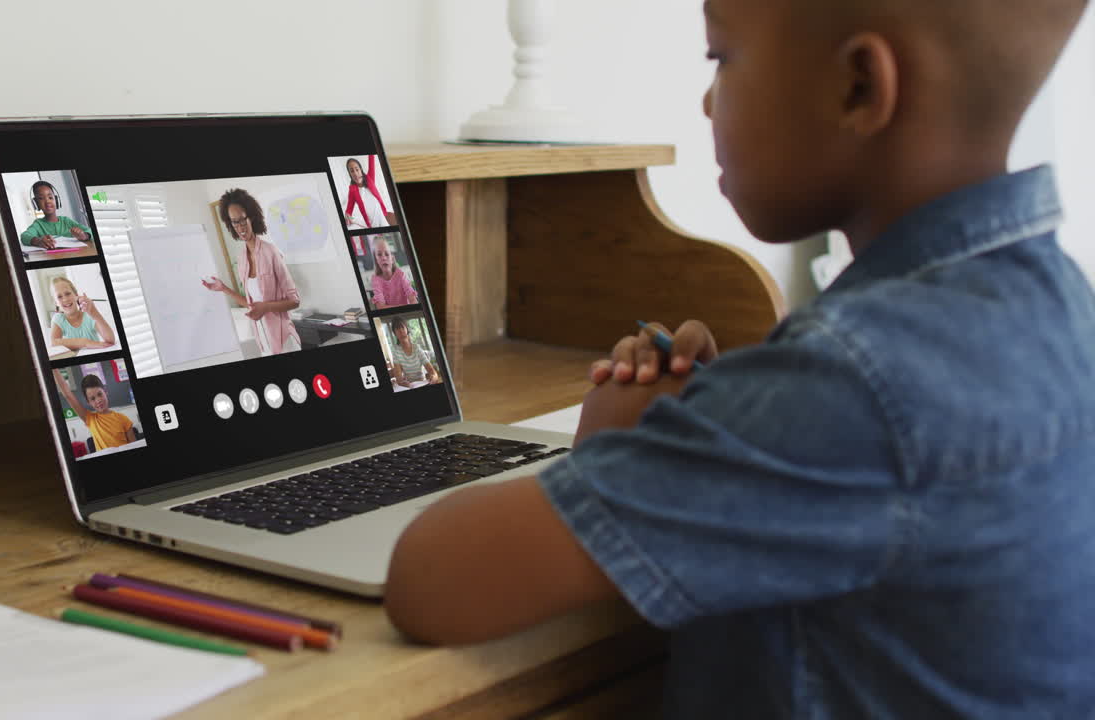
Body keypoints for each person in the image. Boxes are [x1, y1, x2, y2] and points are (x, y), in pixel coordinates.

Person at [384, 1, 1095, 717]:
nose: (705, 100)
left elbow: (431, 581)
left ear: (857, 86)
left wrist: (626, 449)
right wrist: (727, 420)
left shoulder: (850, 383)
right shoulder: (1062, 308)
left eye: (720, 59)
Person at [203, 188, 302, 356]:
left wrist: (266, 307)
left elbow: (295, 301)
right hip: (263, 342)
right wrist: (224, 288)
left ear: (251, 217)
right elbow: (251, 304)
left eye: (242, 219)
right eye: (235, 222)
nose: (240, 226)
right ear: (230, 224)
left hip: (284, 341)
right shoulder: (241, 259)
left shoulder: (271, 252)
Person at [52, 370, 136, 451]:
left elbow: (134, 446)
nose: (98, 400)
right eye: (92, 399)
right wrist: (54, 369)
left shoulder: (123, 419)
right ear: (88, 402)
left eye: (100, 394)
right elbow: (68, 395)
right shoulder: (90, 419)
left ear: (105, 392)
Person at [20, 180, 93, 249]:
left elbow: (90, 231)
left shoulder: (66, 221)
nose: (47, 201)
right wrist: (38, 241)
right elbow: (24, 236)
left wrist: (84, 235)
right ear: (36, 204)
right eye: (41, 198)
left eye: (50, 197)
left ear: (56, 200)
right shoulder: (38, 225)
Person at [49, 276, 116, 351]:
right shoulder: (58, 319)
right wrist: (85, 342)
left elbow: (110, 340)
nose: (65, 299)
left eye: (68, 293)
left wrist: (93, 311)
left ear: (76, 295)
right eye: (59, 297)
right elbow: (54, 342)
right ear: (56, 302)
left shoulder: (88, 315)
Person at [343, 156, 396, 229]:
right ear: (350, 174)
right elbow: (349, 208)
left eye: (357, 169)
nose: (355, 173)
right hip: (372, 224)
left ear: (361, 169)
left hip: (382, 217)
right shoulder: (352, 190)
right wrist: (347, 216)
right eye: (352, 171)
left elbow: (371, 159)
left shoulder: (369, 178)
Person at [369, 235, 419, 309]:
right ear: (376, 260)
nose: (383, 258)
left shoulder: (400, 274)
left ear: (392, 259)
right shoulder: (375, 279)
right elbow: (381, 307)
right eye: (379, 255)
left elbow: (413, 300)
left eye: (387, 254)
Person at [388, 317, 439, 388]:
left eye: (402, 327)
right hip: (408, 385)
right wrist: (402, 382)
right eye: (397, 329)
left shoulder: (417, 348)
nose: (400, 330)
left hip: (423, 382)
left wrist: (433, 377)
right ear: (394, 333)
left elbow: (432, 371)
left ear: (407, 329)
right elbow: (399, 378)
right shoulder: (396, 351)